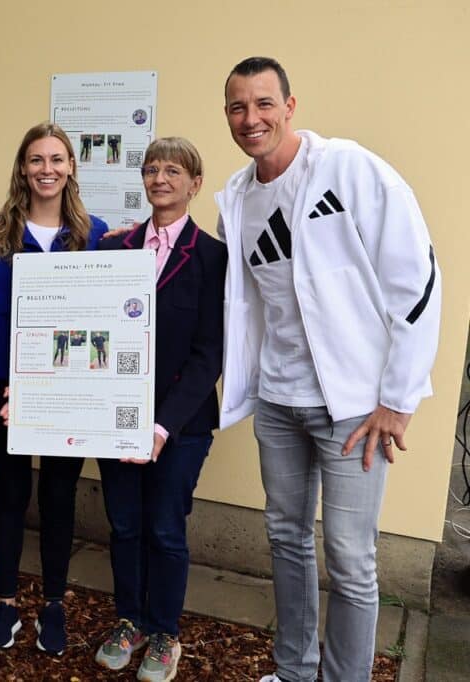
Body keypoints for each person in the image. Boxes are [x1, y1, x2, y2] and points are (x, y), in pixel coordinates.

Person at [218, 57, 441, 682]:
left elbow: (418, 281)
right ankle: (295, 671)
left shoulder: (349, 170)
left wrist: (397, 400)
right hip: (278, 402)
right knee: (287, 542)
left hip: (355, 411)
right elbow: (237, 295)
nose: (251, 118)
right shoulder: (236, 199)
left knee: (350, 558)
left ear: (290, 106)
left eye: (264, 103)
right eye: (237, 107)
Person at [0, 122, 107, 656]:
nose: (47, 169)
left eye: (57, 159)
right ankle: (5, 601)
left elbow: (106, 319)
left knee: (59, 496)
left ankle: (53, 604)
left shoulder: (95, 234)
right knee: (10, 494)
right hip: (4, 390)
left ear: (71, 167)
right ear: (23, 168)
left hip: (70, 392)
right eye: (36, 159)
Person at [93, 137, 227, 681]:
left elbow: (208, 354)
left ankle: (164, 631)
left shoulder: (213, 256)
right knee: (124, 525)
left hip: (182, 422)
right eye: (151, 169)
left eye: (174, 170)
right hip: (115, 416)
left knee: (166, 529)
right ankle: (129, 620)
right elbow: (94, 335)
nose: (160, 179)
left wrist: (162, 425)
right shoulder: (113, 247)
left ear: (194, 183)